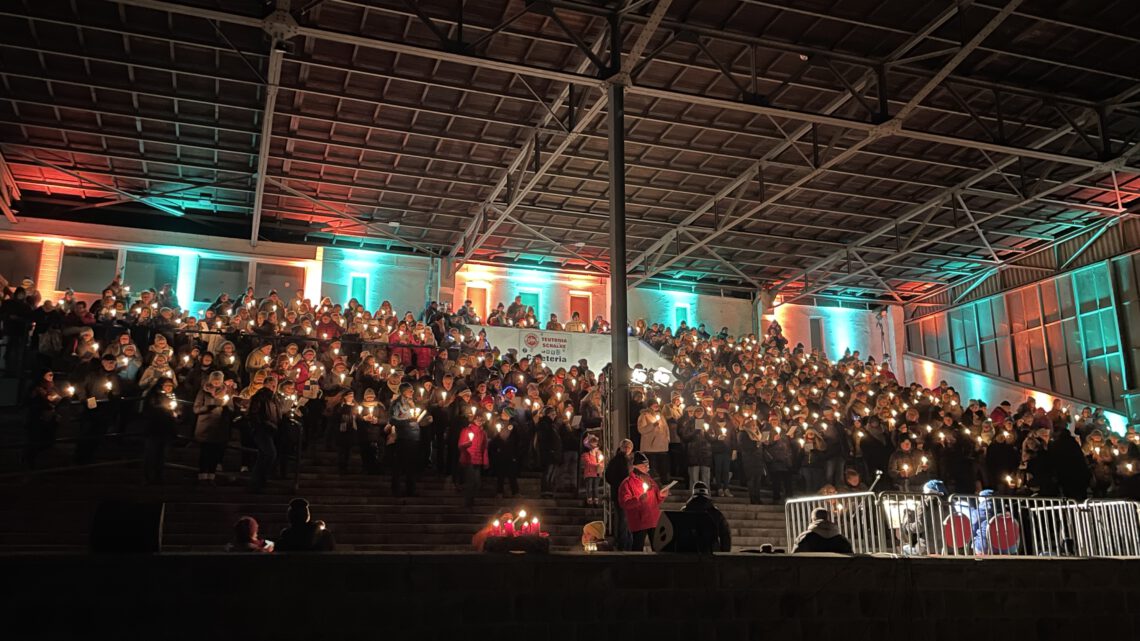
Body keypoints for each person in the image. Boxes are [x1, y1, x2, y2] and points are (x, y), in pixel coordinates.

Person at [617, 452, 670, 551]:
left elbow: (655, 501)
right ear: (636, 466)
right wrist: (639, 500)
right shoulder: (627, 483)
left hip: (653, 520)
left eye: (648, 465)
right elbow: (624, 503)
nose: (647, 468)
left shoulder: (650, 480)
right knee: (637, 549)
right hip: (639, 521)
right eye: (644, 465)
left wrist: (661, 496)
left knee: (658, 549)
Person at [193, 371, 231, 484]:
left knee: (215, 453)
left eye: (218, 380)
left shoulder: (226, 392)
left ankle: (211, 476)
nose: (216, 382)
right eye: (214, 380)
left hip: (219, 426)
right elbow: (196, 409)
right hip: (206, 426)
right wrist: (209, 407)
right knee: (205, 452)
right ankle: (202, 476)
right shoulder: (203, 392)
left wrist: (226, 408)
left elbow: (231, 408)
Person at [141, 377, 180, 485]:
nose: (169, 388)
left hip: (167, 429)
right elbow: (150, 409)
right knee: (151, 453)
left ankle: (159, 476)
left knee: (162, 455)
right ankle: (148, 477)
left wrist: (177, 413)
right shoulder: (154, 395)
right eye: (166, 385)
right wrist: (167, 410)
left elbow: (177, 409)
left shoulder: (171, 396)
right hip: (154, 428)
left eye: (171, 386)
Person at [248, 374, 281, 492]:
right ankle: (258, 480)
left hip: (271, 430)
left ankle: (258, 481)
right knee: (270, 454)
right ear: (265, 384)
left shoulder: (274, 398)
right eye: (271, 384)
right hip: (262, 429)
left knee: (264, 455)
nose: (273, 386)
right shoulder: (260, 397)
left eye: (275, 385)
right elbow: (254, 413)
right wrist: (263, 424)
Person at [680, 482, 732, 553]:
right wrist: (724, 553)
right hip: (711, 552)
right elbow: (726, 535)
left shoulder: (684, 511)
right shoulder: (716, 513)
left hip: (688, 552)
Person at [605, 438, 634, 549]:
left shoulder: (629, 460)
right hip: (620, 493)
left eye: (629, 447)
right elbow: (609, 476)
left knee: (625, 518)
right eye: (625, 447)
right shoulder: (617, 460)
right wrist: (620, 484)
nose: (627, 449)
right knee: (622, 518)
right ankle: (622, 542)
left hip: (629, 493)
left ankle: (626, 542)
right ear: (621, 448)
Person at [458, 414, 488, 509]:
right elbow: (460, 445)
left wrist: (486, 461)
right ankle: (468, 502)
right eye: (478, 419)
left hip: (478, 460)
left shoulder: (483, 433)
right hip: (469, 459)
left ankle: (470, 500)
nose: (479, 420)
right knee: (471, 482)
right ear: (474, 419)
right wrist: (467, 443)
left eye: (481, 419)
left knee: (477, 483)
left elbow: (484, 448)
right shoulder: (466, 430)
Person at [581, 434, 603, 507]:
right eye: (593, 442)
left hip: (597, 473)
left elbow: (602, 460)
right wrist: (597, 464)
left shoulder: (598, 453)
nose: (595, 444)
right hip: (589, 473)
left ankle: (596, 501)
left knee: (595, 487)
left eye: (595, 442)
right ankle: (589, 501)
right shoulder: (586, 454)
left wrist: (601, 465)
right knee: (589, 487)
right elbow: (587, 462)